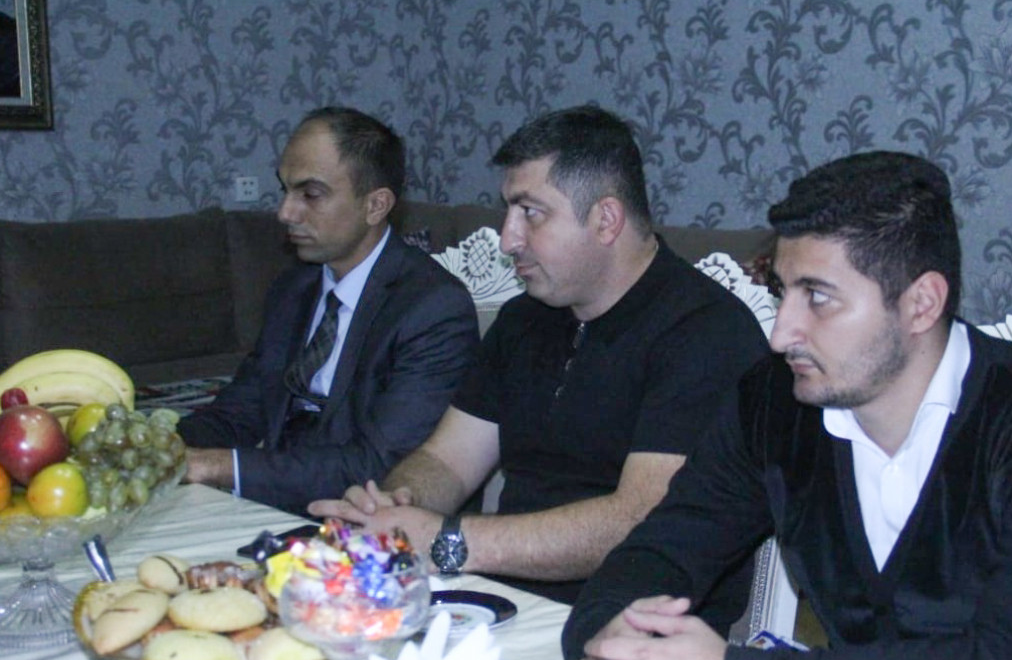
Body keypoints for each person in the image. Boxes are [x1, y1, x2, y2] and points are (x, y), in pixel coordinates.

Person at [562, 152, 1012, 660]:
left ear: (921, 303)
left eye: (818, 298)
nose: (781, 333)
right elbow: (661, 551)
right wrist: (611, 634)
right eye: (782, 291)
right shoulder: (772, 403)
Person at [309, 104, 769, 606]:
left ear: (606, 219)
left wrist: (449, 541)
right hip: (500, 597)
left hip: (635, 623)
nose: (508, 238)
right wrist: (398, 505)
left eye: (530, 212)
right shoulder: (525, 319)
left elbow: (641, 520)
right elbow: (448, 460)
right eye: (508, 211)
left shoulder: (706, 332)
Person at [180, 106, 479, 517]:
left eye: (310, 194)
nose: (285, 213)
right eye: (285, 190)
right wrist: (160, 447)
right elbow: (242, 410)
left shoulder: (432, 308)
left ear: (375, 205)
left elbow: (379, 465)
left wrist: (219, 466)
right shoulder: (294, 288)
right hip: (274, 505)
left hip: (368, 524)